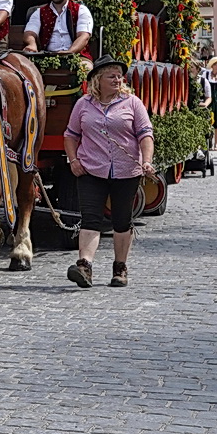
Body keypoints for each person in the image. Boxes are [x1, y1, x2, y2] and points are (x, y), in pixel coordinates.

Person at [63, 55, 154, 289]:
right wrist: (73, 160)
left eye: (119, 75)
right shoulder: (83, 104)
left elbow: (145, 134)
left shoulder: (132, 102)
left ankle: (120, 268)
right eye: (111, 75)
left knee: (122, 221)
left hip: (126, 171)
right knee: (90, 219)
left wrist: (146, 161)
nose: (117, 79)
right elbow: (71, 135)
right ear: (97, 80)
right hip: (91, 169)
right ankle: (84, 266)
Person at [22, 0, 94, 55]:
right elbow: (29, 33)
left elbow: (83, 37)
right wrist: (32, 44)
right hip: (47, 57)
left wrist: (69, 52)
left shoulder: (81, 10)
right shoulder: (39, 12)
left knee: (86, 67)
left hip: (78, 56)